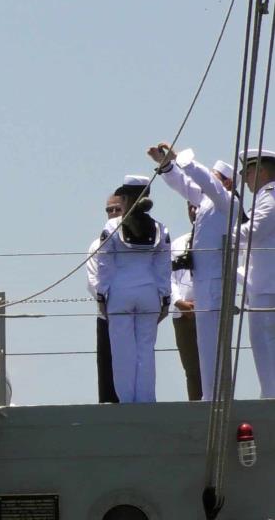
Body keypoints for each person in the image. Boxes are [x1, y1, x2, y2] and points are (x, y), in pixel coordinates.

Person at [148, 143, 239, 400]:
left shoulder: (226, 200)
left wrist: (183, 159)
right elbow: (184, 186)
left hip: (215, 287)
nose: (208, 181)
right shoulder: (208, 200)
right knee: (203, 357)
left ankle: (217, 403)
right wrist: (167, 165)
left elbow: (202, 181)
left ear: (228, 183)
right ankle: (208, 403)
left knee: (214, 354)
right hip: (203, 284)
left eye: (216, 177)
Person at [95, 175, 171, 403]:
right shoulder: (160, 227)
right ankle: (146, 400)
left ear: (126, 198)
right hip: (148, 293)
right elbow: (163, 266)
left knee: (122, 351)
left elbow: (104, 263)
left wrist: (101, 294)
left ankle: (127, 401)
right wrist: (165, 299)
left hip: (120, 293)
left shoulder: (111, 226)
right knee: (146, 350)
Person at [238, 148, 275, 397]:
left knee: (265, 347)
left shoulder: (269, 196)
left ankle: (271, 398)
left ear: (260, 171)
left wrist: (224, 239)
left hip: (266, 288)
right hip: (264, 285)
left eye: (246, 172)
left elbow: (256, 231)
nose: (244, 178)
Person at [86, 193, 123, 403]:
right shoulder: (96, 245)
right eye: (110, 210)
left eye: (118, 209)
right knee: (107, 375)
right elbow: (93, 282)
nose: (113, 213)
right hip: (107, 317)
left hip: (132, 316)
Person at [170, 204, 202, 400]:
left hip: (209, 310)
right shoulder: (177, 243)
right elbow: (168, 276)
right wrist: (178, 301)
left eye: (197, 206)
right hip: (182, 314)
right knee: (191, 370)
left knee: (214, 367)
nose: (193, 211)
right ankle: (196, 409)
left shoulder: (218, 240)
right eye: (190, 207)